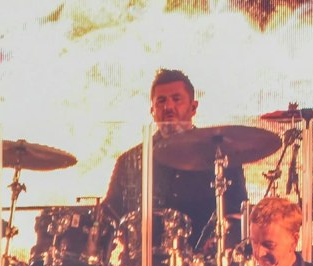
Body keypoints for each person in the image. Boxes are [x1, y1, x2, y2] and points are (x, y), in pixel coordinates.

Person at [100, 69, 246, 254]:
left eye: (177, 99)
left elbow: (238, 215)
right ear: (152, 110)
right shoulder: (129, 161)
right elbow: (110, 217)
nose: (168, 107)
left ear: (193, 107)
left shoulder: (221, 158)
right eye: (161, 101)